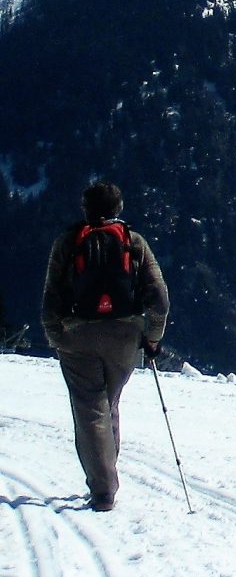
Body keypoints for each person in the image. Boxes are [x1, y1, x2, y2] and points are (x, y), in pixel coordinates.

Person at [41, 181, 171, 512]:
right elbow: (159, 298)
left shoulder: (68, 242)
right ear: (118, 208)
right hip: (125, 336)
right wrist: (152, 339)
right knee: (108, 402)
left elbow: (51, 298)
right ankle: (107, 472)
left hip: (77, 335)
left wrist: (56, 336)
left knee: (90, 409)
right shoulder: (133, 242)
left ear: (85, 208)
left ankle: (103, 489)